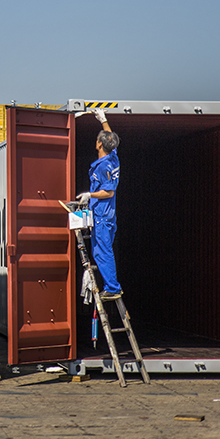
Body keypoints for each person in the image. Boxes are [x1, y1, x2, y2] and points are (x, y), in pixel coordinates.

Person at [77, 109, 121, 301]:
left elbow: (109, 191)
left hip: (103, 216)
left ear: (99, 144)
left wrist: (89, 194)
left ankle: (112, 287)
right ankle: (111, 284)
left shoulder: (104, 166)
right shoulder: (113, 156)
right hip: (105, 215)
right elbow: (111, 138)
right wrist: (103, 120)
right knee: (100, 250)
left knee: (103, 252)